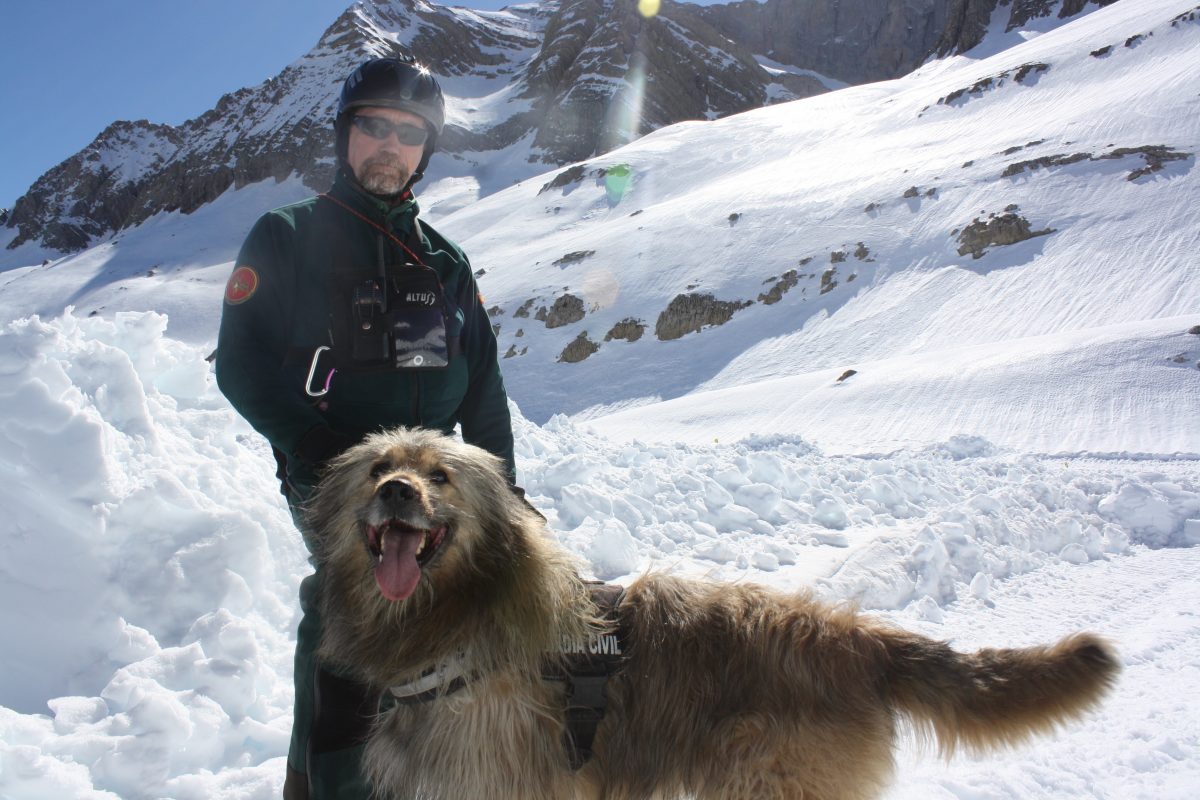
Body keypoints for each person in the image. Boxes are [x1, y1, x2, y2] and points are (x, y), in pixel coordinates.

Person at [215, 56, 516, 800]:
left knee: (427, 615)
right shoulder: (286, 235)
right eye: (373, 126)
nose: (390, 144)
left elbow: (481, 384)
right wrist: (318, 452)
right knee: (358, 610)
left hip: (433, 486)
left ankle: (336, 774)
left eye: (408, 133)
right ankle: (337, 784)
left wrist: (502, 492)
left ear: (426, 149)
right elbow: (241, 364)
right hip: (333, 480)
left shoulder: (444, 261)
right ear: (346, 136)